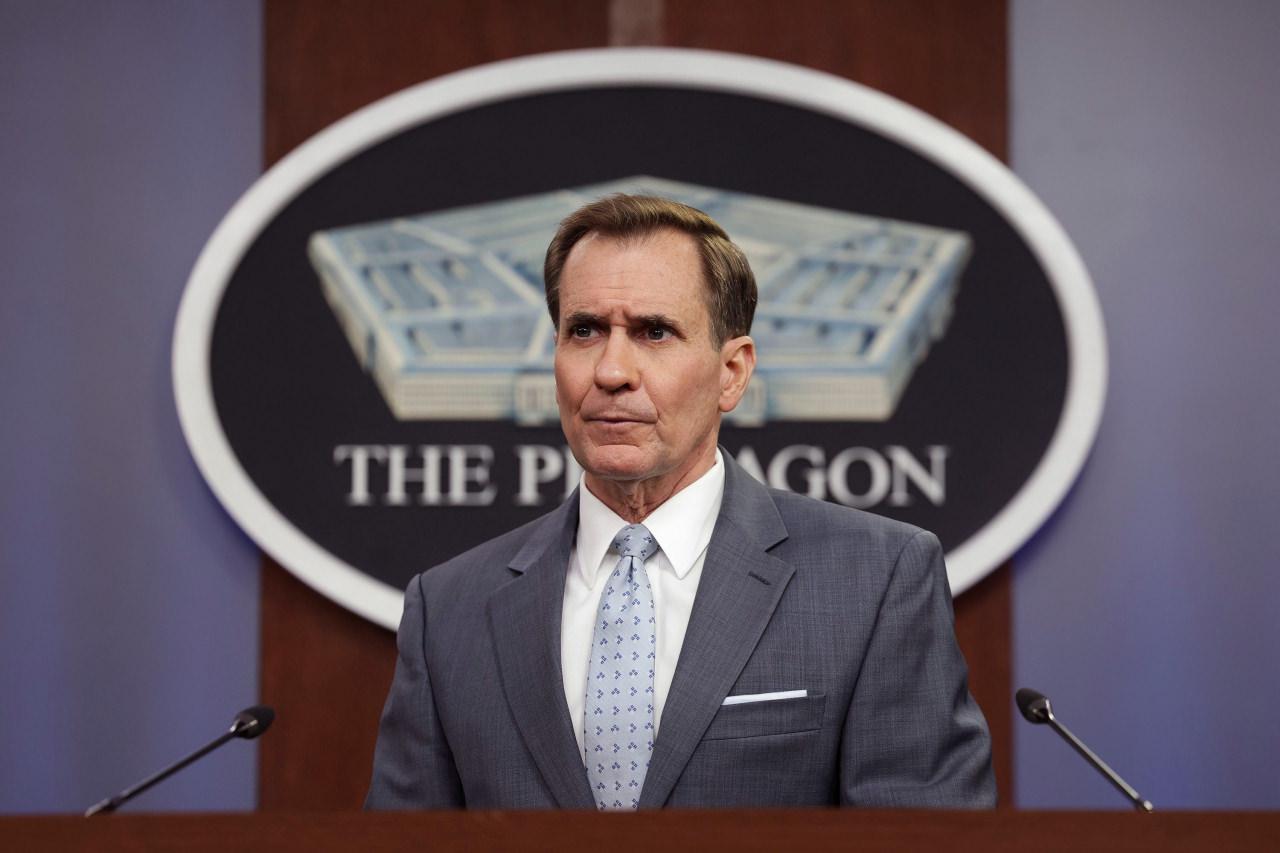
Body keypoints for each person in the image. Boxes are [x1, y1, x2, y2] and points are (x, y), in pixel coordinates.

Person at [365, 194, 996, 810]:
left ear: (732, 372)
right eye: (584, 331)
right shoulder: (448, 608)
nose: (611, 371)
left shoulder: (874, 579)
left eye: (654, 332)